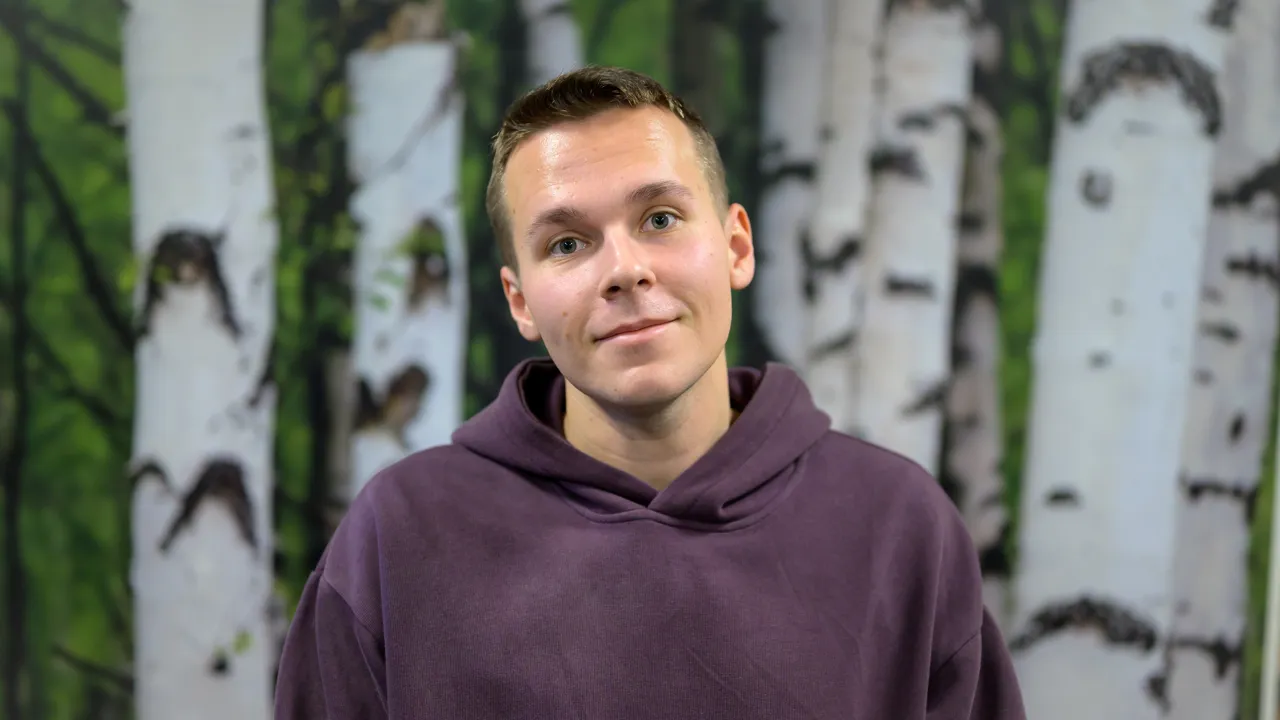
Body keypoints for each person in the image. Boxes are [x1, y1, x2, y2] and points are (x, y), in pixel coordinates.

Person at [273, 65, 1026, 719]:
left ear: (736, 246)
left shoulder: (897, 525)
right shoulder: (397, 538)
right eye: (567, 243)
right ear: (521, 301)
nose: (625, 269)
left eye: (660, 219)